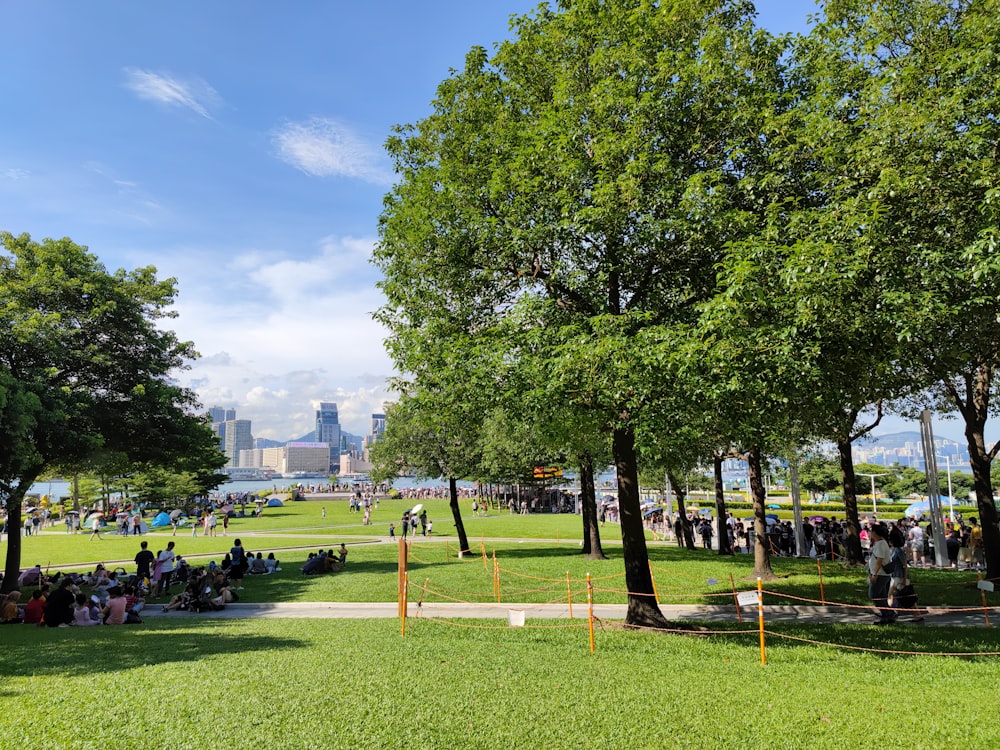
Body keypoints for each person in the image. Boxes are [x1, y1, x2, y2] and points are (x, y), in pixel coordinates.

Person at [868, 523, 896, 624]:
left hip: (880, 574)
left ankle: (887, 614)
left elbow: (879, 560)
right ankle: (888, 614)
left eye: (871, 531)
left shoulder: (881, 544)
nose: (870, 533)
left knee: (874, 594)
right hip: (882, 574)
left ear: (875, 533)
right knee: (881, 595)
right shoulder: (880, 543)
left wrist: (874, 574)